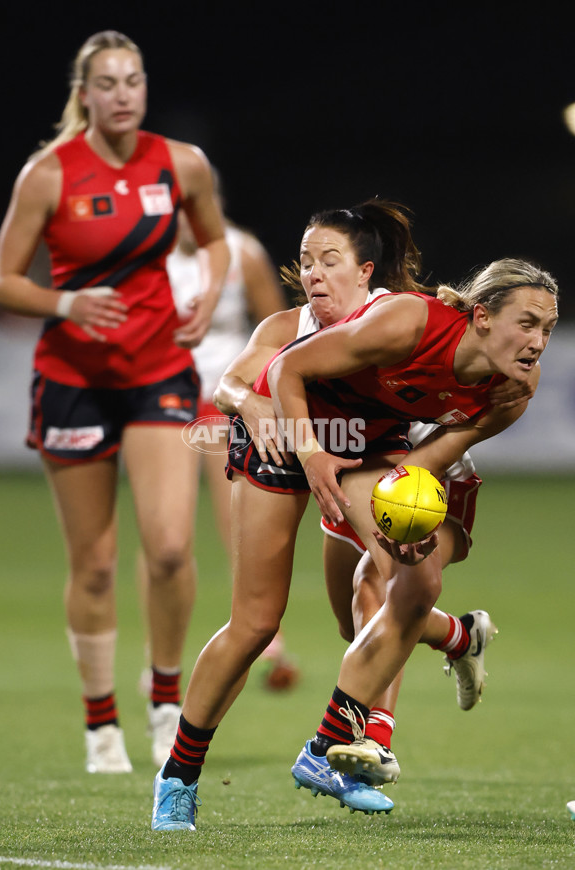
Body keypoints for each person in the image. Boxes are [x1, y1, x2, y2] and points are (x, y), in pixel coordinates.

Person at [150, 200, 547, 831]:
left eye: (327, 260)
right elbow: (272, 373)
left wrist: (410, 518)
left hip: (367, 446)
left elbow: (427, 458)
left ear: (366, 271)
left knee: (412, 579)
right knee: (256, 624)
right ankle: (177, 777)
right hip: (288, 438)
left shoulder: (475, 370)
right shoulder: (310, 325)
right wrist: (283, 433)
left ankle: (339, 746)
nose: (312, 272)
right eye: (306, 261)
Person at [0, 30, 230, 775]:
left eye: (134, 81)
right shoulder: (47, 174)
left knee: (168, 549)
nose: (123, 94)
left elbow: (215, 244)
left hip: (160, 372)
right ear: (84, 94)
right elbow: (2, 282)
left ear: (144, 88)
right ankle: (101, 728)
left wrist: (210, 293)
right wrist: (65, 303)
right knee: (93, 566)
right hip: (73, 382)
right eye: (108, 83)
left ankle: (164, 706)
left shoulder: (181, 163)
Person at [265, 253, 557, 792]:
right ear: (483, 316)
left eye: (548, 328)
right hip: (359, 452)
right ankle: (458, 635)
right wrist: (311, 454)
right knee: (354, 627)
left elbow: (435, 457)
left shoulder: (513, 387)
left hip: (421, 470)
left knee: (389, 583)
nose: (538, 341)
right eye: (527, 323)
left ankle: (364, 741)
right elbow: (286, 366)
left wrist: (394, 514)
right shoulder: (410, 323)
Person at [136, 190, 294, 764]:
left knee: (239, 526)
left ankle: (260, 636)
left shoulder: (241, 251)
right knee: (166, 542)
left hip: (225, 403)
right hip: (159, 400)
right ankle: (162, 663)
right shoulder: (145, 256)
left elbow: (278, 332)